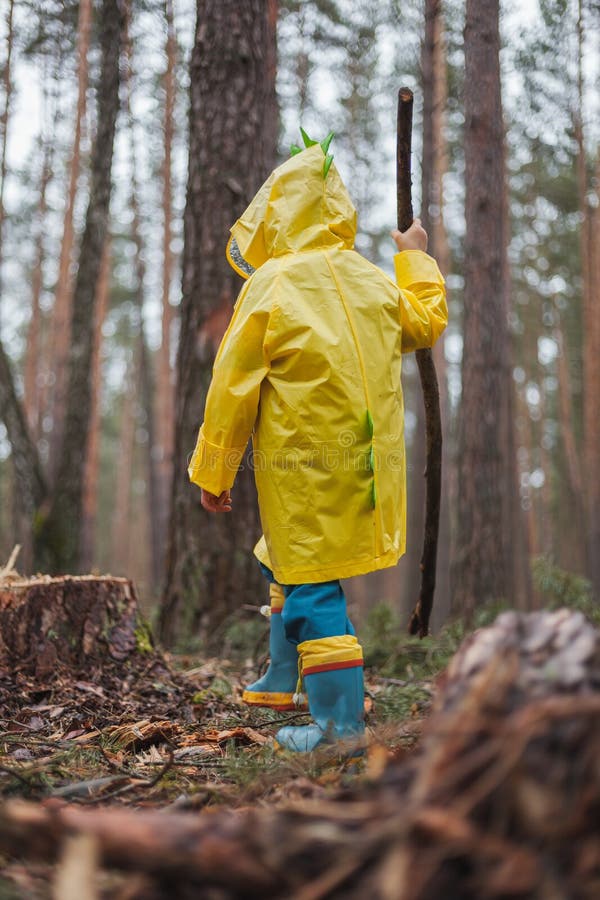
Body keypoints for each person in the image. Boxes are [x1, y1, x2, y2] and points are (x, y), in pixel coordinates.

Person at [188, 131, 447, 753]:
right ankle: (283, 676)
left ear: (277, 213)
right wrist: (414, 256)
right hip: (368, 469)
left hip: (305, 471)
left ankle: (339, 730)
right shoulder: (370, 280)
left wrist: (214, 471)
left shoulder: (271, 285)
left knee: (312, 587)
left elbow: (231, 388)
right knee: (279, 556)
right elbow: (425, 321)